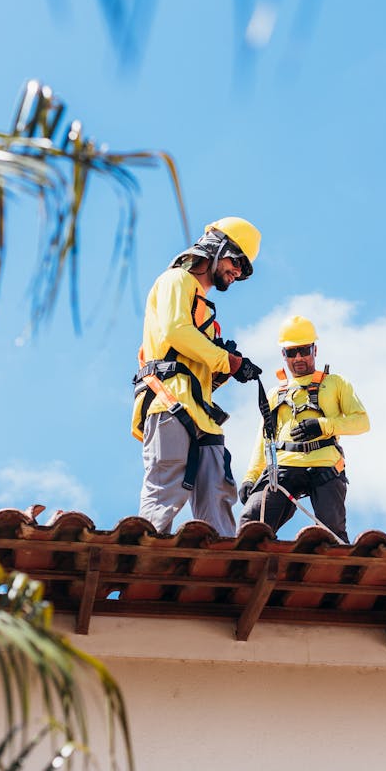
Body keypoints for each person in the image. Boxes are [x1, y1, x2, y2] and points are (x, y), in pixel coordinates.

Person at [132, 217, 262, 535]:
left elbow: (200, 369)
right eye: (236, 263)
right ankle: (139, 560)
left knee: (218, 496)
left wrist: (228, 368)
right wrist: (223, 359)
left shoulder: (205, 313)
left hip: (200, 413)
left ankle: (223, 573)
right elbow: (176, 331)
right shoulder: (175, 280)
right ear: (216, 249)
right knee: (166, 490)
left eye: (243, 271)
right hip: (169, 401)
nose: (237, 274)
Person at [238, 315, 369, 543]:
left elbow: (361, 422)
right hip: (285, 466)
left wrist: (323, 425)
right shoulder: (275, 394)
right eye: (291, 352)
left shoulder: (336, 383)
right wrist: (250, 477)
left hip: (326, 466)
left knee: (332, 536)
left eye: (304, 350)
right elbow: (264, 439)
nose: (298, 357)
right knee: (251, 524)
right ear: (284, 355)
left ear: (314, 350)